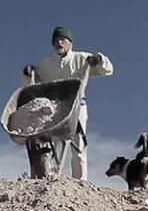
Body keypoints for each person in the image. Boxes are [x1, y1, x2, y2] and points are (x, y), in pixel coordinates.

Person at [21, 26, 114, 181]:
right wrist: (28, 72)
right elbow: (35, 81)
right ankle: (48, 178)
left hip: (77, 105)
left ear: (70, 42)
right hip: (54, 109)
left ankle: (80, 181)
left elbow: (107, 70)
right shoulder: (47, 64)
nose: (59, 43)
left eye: (62, 39)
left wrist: (99, 60)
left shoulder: (81, 58)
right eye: (56, 40)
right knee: (50, 144)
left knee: (78, 144)